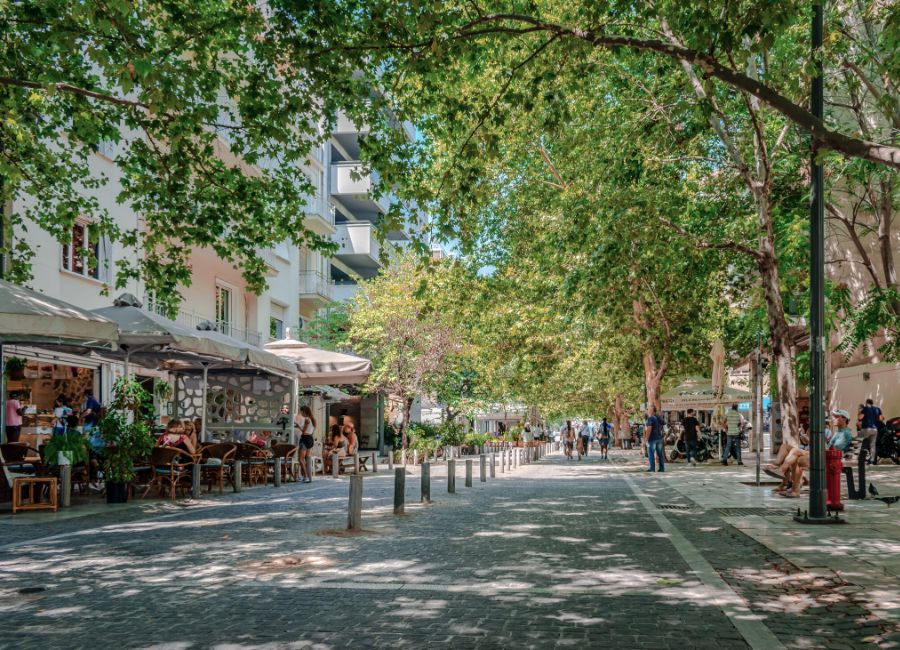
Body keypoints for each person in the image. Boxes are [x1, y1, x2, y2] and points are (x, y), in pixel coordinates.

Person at [858, 399, 882, 465]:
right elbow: (880, 418)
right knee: (872, 445)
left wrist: (859, 412)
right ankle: (871, 461)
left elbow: (860, 417)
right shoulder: (877, 409)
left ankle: (861, 459)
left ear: (867, 403)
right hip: (874, 429)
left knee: (861, 443)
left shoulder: (865, 408)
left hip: (866, 428)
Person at [296, 405, 316, 483]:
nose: (301, 413)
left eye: (301, 411)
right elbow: (312, 429)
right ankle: (306, 476)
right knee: (307, 459)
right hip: (310, 439)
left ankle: (306, 476)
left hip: (304, 439)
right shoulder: (313, 419)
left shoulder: (307, 420)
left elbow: (303, 431)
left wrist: (298, 426)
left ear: (304, 411)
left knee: (301, 459)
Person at [644, 407, 665, 472]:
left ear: (652, 411)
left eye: (649, 410)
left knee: (651, 454)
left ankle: (652, 468)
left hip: (652, 439)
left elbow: (649, 429)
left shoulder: (650, 418)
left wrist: (646, 439)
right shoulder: (660, 417)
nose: (648, 411)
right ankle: (661, 468)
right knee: (660, 454)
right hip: (659, 438)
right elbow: (662, 426)